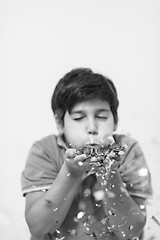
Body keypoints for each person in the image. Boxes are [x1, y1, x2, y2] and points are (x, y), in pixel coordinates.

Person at [21, 68, 152, 240]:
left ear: (115, 121)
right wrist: (71, 172)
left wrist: (109, 174)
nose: (92, 128)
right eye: (78, 118)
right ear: (60, 123)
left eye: (102, 117)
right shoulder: (45, 151)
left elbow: (130, 231)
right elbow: (38, 228)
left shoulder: (126, 149)